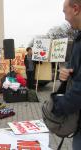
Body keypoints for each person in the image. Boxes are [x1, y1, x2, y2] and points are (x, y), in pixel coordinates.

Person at [52, 0, 81, 149]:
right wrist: (67, 72)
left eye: (65, 11)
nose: (65, 17)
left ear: (75, 9)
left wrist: (57, 105)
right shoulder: (78, 39)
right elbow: (74, 71)